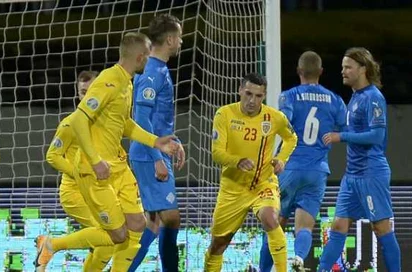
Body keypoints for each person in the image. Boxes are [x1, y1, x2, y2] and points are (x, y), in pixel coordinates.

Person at [34, 32, 184, 272]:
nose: (150, 61)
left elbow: (125, 124)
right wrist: (94, 161)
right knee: (117, 236)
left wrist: (156, 142)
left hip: (118, 167)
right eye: (148, 56)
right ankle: (52, 245)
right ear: (140, 57)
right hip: (96, 174)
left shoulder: (127, 82)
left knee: (138, 225)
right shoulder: (109, 80)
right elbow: (79, 120)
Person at [259, 51, 347, 271]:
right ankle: (298, 258)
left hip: (288, 168)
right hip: (317, 171)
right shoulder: (335, 100)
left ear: (299, 71)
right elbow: (347, 128)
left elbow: (283, 122)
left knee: (274, 224)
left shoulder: (289, 96)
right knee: (305, 226)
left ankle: (264, 269)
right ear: (321, 72)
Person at [204, 73, 297, 272]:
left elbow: (291, 138)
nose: (252, 101)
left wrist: (281, 159)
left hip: (262, 184)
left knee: (271, 218)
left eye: (258, 96)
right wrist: (236, 161)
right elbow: (216, 153)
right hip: (232, 189)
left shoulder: (275, 117)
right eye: (248, 94)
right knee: (219, 244)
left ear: (264, 96)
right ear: (240, 90)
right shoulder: (224, 114)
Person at [318, 48, 400, 272]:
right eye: (343, 66)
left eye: (348, 67)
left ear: (362, 69)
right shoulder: (355, 96)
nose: (342, 71)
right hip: (352, 175)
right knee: (338, 225)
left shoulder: (373, 97)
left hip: (371, 173)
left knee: (381, 228)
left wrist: (340, 136)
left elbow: (377, 136)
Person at [127, 14, 184, 272]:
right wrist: (158, 157)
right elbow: (141, 118)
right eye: (180, 37)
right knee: (171, 218)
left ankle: (123, 268)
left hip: (154, 151)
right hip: (148, 154)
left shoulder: (159, 68)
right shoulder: (151, 71)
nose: (181, 41)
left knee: (154, 223)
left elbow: (158, 119)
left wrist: (174, 141)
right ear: (170, 39)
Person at [46, 70, 114, 271]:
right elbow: (52, 155)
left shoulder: (107, 123)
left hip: (98, 192)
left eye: (90, 91)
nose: (86, 96)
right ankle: (50, 245)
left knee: (109, 244)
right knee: (109, 234)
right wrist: (78, 172)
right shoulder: (70, 123)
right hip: (74, 193)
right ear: (78, 95)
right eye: (82, 92)